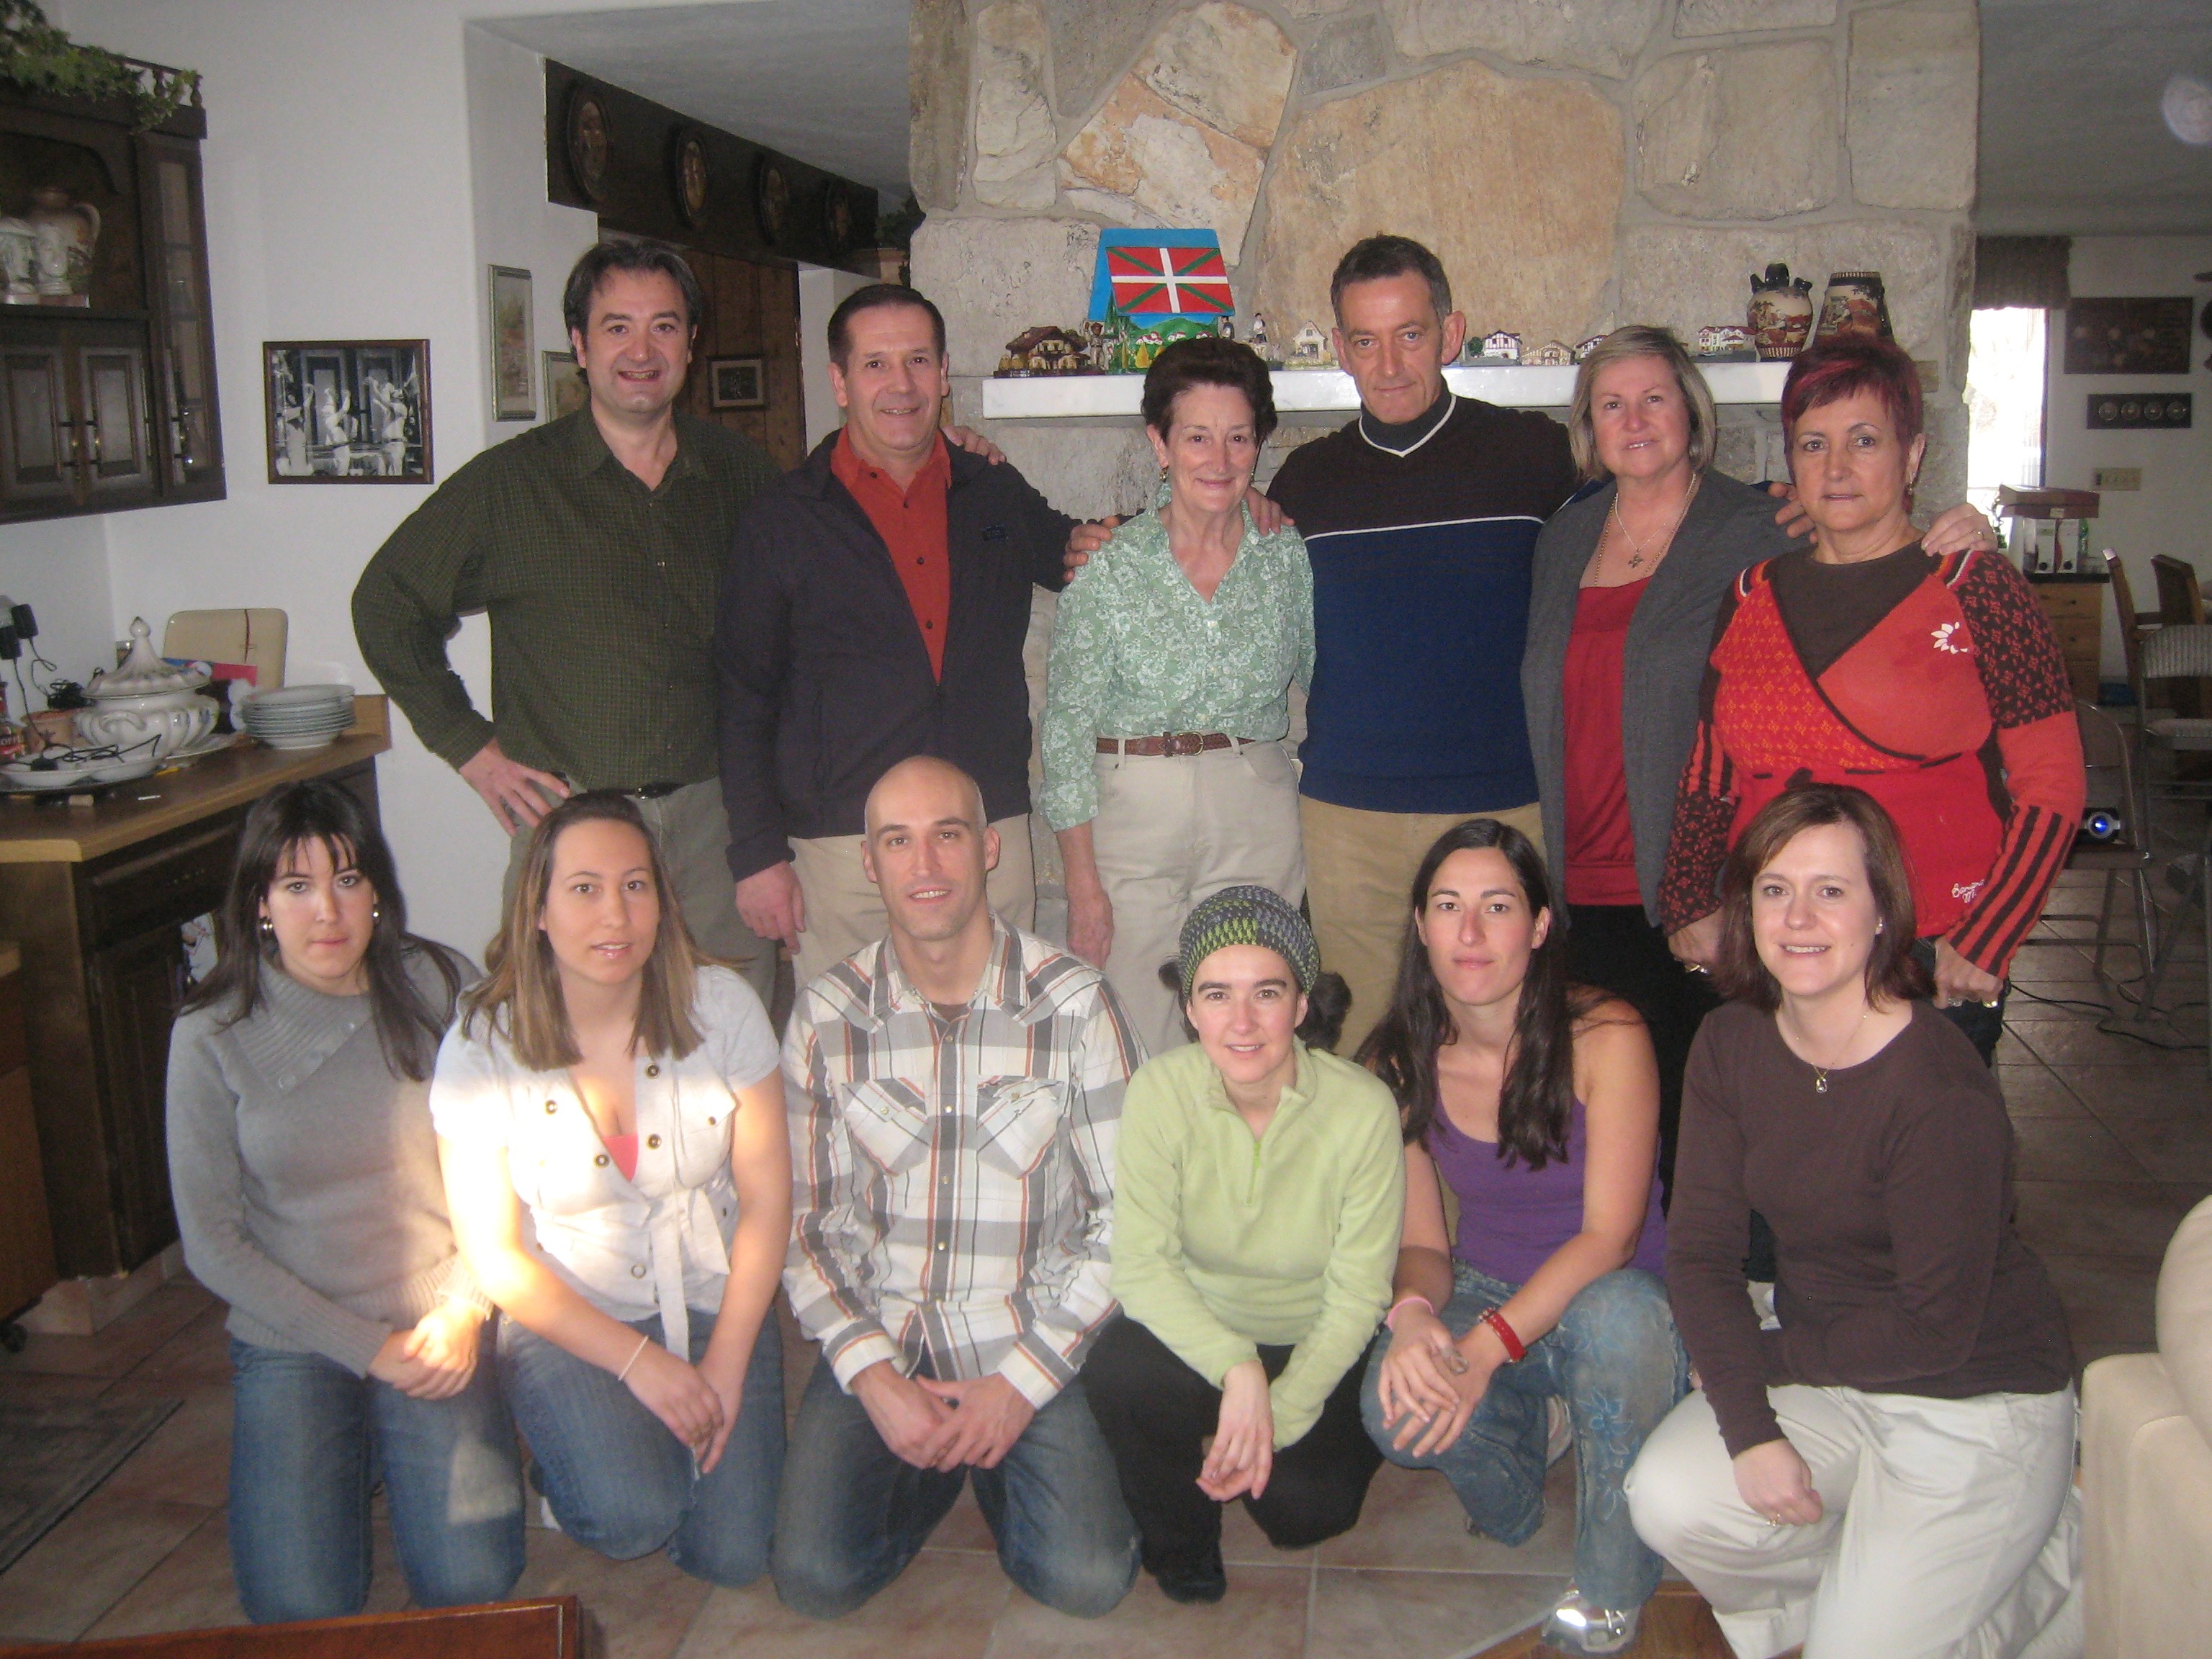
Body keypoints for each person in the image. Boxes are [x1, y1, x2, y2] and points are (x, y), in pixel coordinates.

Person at [1521, 326, 1997, 1196]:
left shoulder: (1756, 526)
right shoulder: (1565, 538)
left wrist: (1964, 532)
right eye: (1611, 402)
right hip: (1579, 877)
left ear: (1692, 412)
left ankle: (1726, 1298)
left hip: (1699, 880)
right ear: (1588, 423)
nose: (1635, 419)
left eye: (1655, 397)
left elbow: (1870, 552)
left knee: (1714, 1127)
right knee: (1609, 1120)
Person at [1628, 785, 2079, 1659]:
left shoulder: (1938, 1089)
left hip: (1977, 1401)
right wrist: (1753, 1431)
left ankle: (2046, 1572)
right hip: (1837, 1377)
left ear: (1883, 913)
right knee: (1669, 1496)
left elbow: (1936, 1330)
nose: (1798, 916)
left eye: (1831, 890)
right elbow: (1703, 1255)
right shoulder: (1731, 1043)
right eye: (1772, 889)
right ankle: (1872, 1594)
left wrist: (1759, 1367)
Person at [354, 239, 782, 1002]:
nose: (642, 351)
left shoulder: (743, 475)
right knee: (565, 1042)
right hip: (573, 828)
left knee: (732, 1039)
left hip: (719, 825)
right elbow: (386, 603)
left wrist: (940, 448)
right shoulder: (512, 485)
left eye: (665, 326)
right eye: (618, 328)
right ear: (580, 346)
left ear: (691, 340)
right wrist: (471, 748)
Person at [775, 756, 1143, 1619]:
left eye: (947, 836)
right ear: (869, 863)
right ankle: (938, 1469)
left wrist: (1022, 1385)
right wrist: (872, 1376)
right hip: (887, 1331)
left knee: (1089, 1580)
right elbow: (808, 1227)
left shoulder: (1076, 1006)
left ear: (989, 850)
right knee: (813, 1579)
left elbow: (1132, 1218)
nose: (925, 866)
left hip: (1026, 1335)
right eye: (897, 842)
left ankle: (988, 1465)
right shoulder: (827, 1018)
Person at [1658, 336, 2085, 1065]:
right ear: (1789, 461)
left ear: (1911, 454)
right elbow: (1711, 770)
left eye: (1865, 440)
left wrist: (1988, 937)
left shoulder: (1977, 587)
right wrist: (1688, 897)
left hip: (1927, 949)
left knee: (1919, 1169)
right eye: (1813, 443)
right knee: (1782, 1164)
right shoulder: (1749, 594)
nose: (1838, 467)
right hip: (1773, 942)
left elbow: (2055, 785)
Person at [166, 781, 522, 1623]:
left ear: (377, 893)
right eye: (296, 886)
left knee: (474, 1585)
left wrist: (466, 1310)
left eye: (349, 879)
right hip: (295, 1334)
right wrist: (365, 1350)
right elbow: (212, 1242)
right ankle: (356, 1437)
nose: (327, 910)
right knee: (298, 1611)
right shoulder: (210, 1033)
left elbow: (516, 1171)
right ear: (258, 904)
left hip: (441, 1322)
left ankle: (386, 1440)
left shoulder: (439, 985)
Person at [432, 791, 790, 1587]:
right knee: (633, 1519)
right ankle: (565, 1463)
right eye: (584, 888)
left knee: (733, 1554)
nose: (615, 916)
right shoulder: (480, 1043)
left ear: (662, 900)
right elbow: (493, 1256)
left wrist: (727, 1360)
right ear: (538, 909)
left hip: (710, 1296)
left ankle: (646, 1438)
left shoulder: (722, 1007)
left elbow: (767, 1201)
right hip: (574, 1315)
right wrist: (641, 1364)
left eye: (636, 886)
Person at [1357, 819, 1683, 1656]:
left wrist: (1487, 1350)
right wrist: (1416, 1318)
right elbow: (1426, 1244)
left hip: (1616, 1298)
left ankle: (1611, 1590)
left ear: (1538, 927)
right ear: (1420, 923)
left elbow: (1609, 1238)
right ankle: (1535, 1451)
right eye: (1448, 906)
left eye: (1496, 907)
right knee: (1390, 1406)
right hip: (1490, 1284)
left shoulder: (1608, 1036)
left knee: (1618, 1328)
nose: (1469, 933)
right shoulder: (1399, 1060)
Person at [719, 285, 1076, 989]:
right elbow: (742, 696)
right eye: (876, 364)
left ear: (943, 375)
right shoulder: (783, 518)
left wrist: (1195, 499)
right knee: (856, 1065)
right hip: (844, 849)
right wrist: (759, 855)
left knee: (1002, 1047)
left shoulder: (994, 492)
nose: (901, 384)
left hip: (984, 834)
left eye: (918, 361)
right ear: (840, 382)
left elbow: (1077, 555)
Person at [1085, 887, 1395, 1604]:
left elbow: (1358, 1294)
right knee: (1119, 1370)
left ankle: (1285, 1437)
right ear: (1190, 1010)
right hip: (1202, 1333)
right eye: (1217, 995)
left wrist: (1278, 1415)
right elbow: (1141, 1266)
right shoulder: (1161, 1091)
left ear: (1303, 1003)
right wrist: (1237, 1369)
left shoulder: (1362, 1109)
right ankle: (1182, 1547)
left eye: (1267, 992)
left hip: (1311, 1334)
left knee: (1302, 1510)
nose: (1243, 1021)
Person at [1040, 337, 1315, 1053]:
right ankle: (1145, 1170)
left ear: (1258, 446)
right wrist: (1082, 883)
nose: (1219, 460)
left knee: (1253, 1023)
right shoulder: (1108, 564)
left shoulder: (1286, 559)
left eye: (1238, 437)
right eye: (1197, 437)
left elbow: (1325, 680)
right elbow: (1065, 729)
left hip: (1253, 808)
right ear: (1160, 444)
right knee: (1132, 1030)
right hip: (1132, 815)